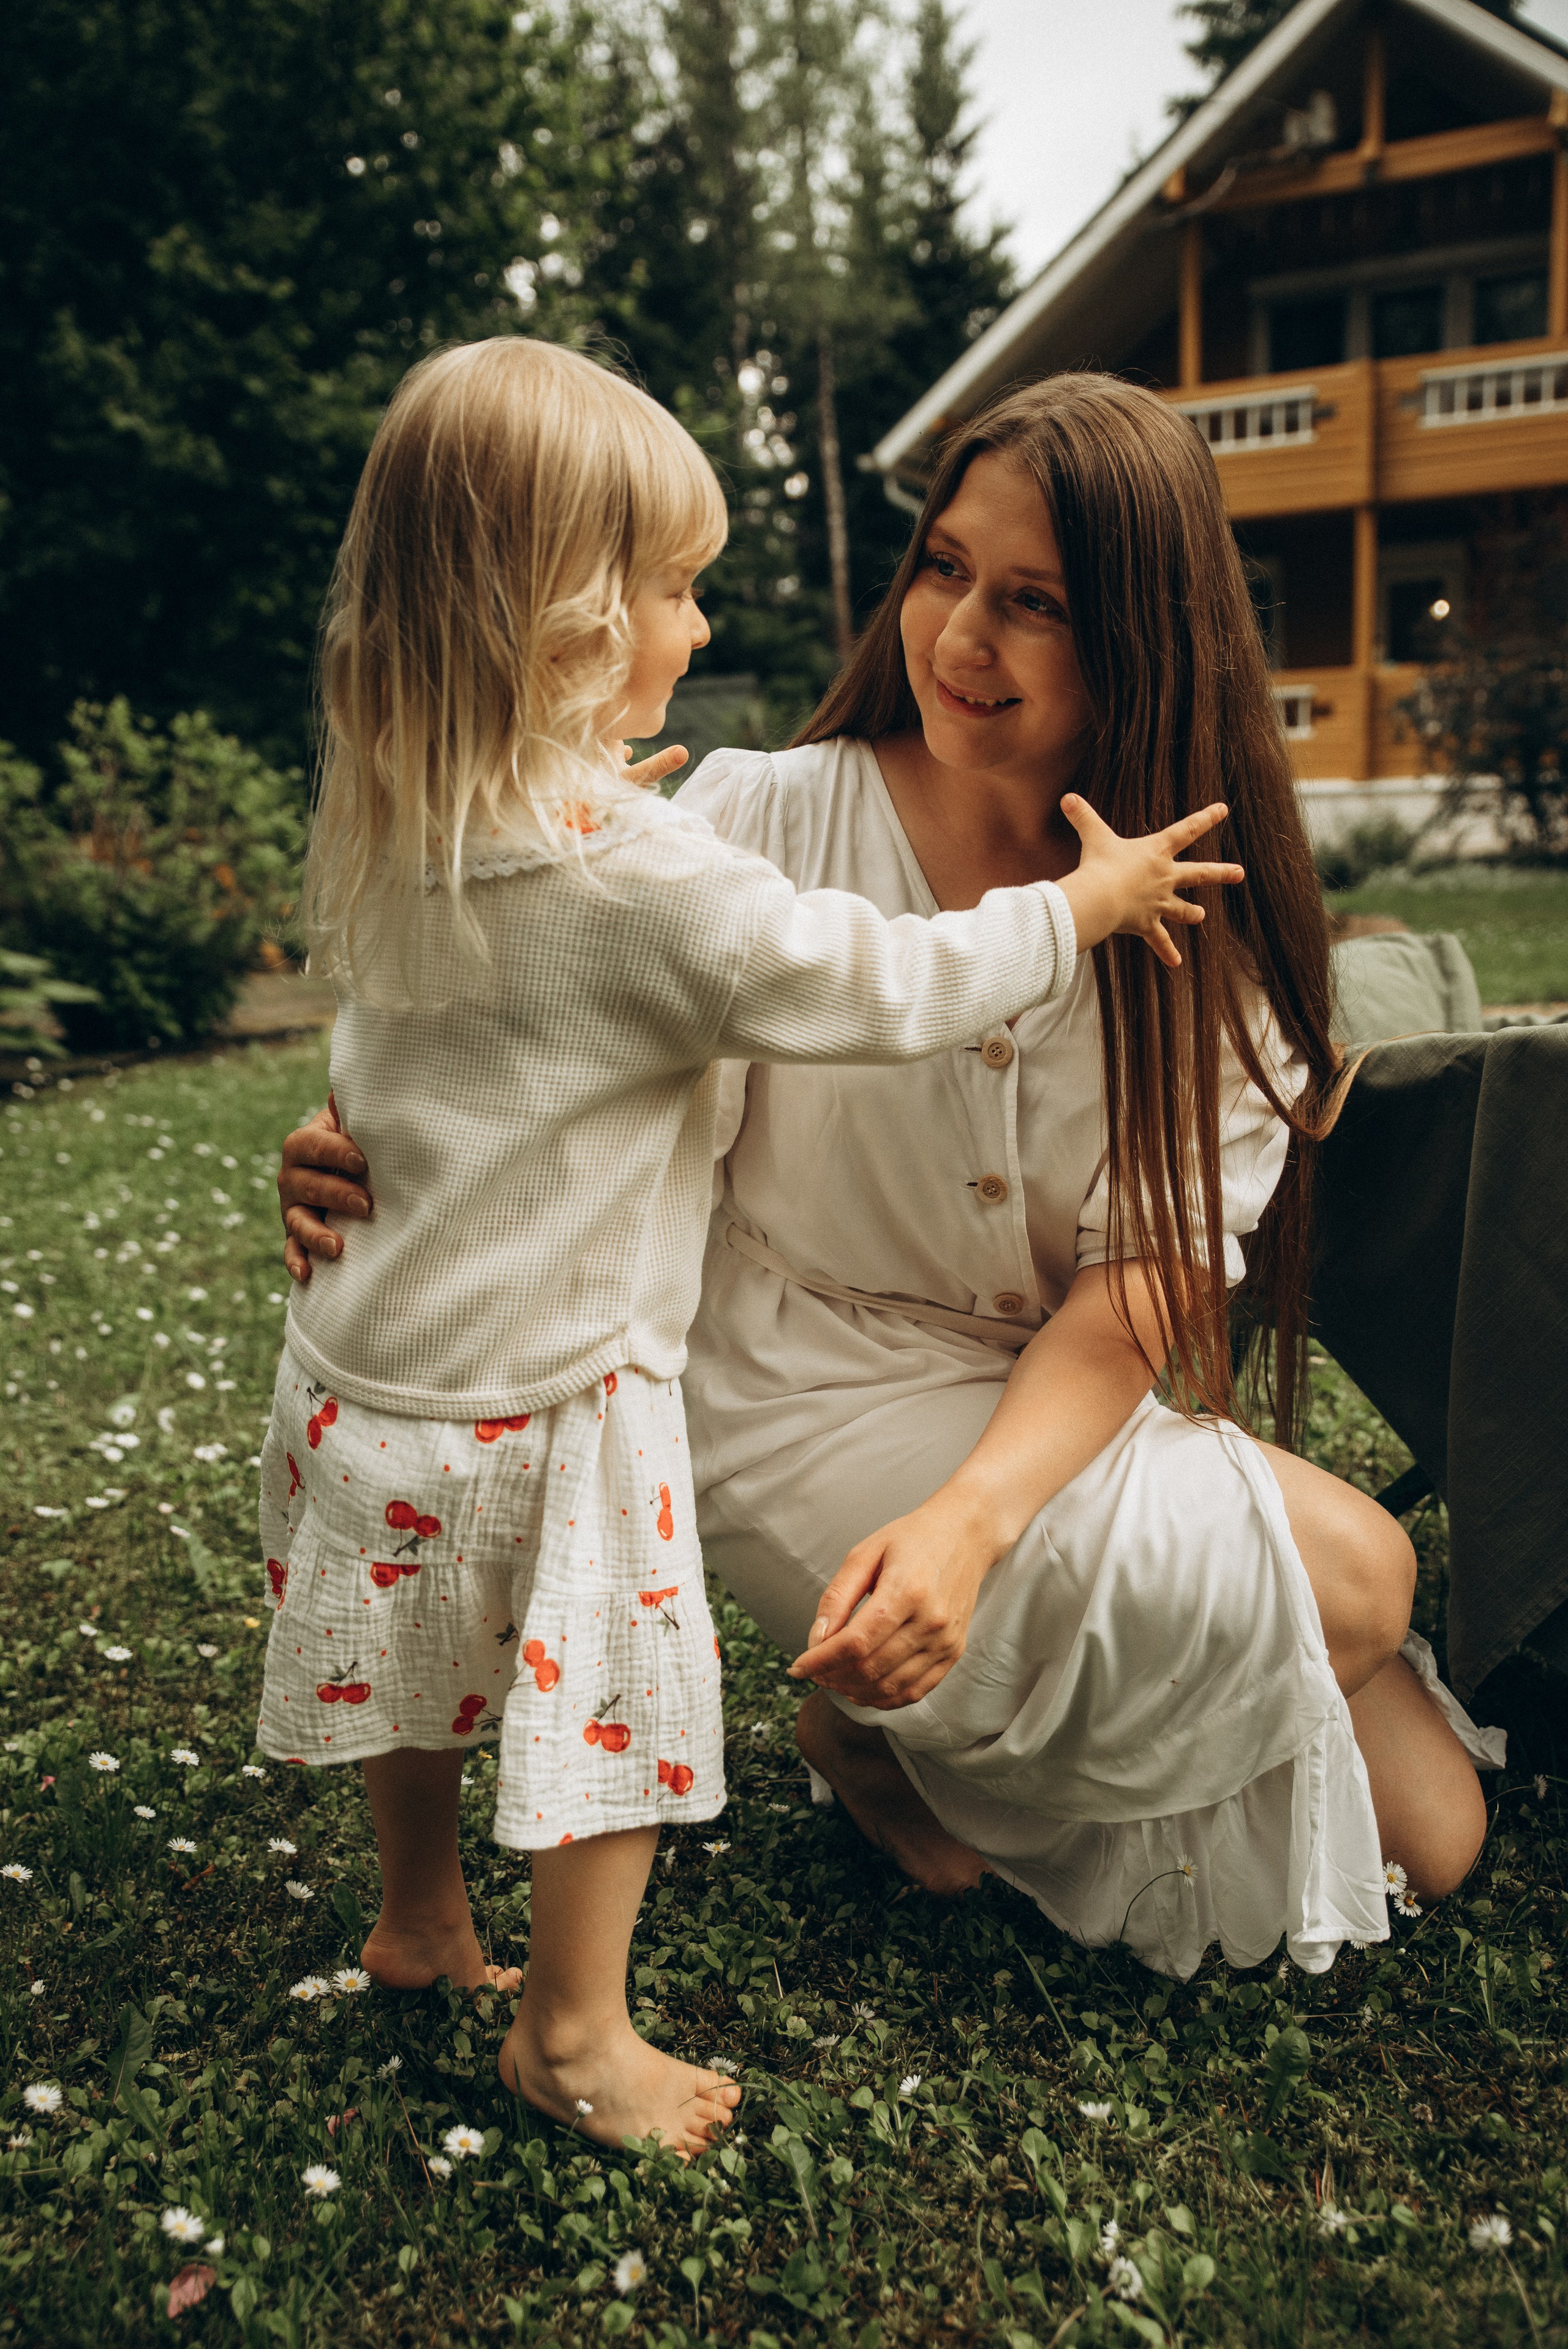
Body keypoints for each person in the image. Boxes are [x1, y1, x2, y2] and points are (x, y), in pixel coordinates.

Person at [280, 370, 1498, 1986]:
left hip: (1044, 1399)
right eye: (941, 569)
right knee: (1364, 1570)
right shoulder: (755, 817)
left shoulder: (1200, 924)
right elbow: (534, 998)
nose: (957, 636)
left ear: (1145, 634)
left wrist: (974, 1525)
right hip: (787, 1372)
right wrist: (358, 1138)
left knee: (1436, 1832)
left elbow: (1142, 1289)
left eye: (1033, 602)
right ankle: (910, 1705)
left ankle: (887, 1732)